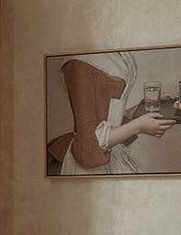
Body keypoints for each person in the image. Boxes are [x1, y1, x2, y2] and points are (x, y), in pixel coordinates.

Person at [47, 51, 175, 175]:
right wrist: (139, 126)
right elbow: (88, 143)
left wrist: (143, 107)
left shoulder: (118, 52)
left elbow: (111, 121)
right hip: (88, 165)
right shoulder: (78, 62)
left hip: (113, 155)